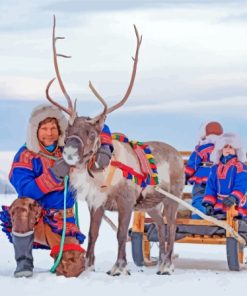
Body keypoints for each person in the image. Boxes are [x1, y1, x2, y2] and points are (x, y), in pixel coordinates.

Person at [4, 104, 86, 278]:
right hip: (35, 219)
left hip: (63, 220)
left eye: (53, 128)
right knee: (22, 206)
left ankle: (65, 253)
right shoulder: (26, 154)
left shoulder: (68, 152)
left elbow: (99, 129)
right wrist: (55, 174)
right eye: (44, 128)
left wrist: (106, 147)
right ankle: (23, 260)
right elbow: (26, 189)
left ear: (60, 129)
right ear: (35, 130)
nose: (49, 133)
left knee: (72, 269)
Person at [202, 133, 247, 219]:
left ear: (236, 150)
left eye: (231, 147)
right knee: (218, 225)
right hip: (219, 205)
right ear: (220, 149)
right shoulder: (215, 167)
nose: (228, 149)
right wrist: (209, 203)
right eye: (225, 147)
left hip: (236, 204)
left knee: (237, 225)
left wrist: (234, 197)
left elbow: (243, 184)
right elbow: (211, 186)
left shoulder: (240, 166)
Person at [184, 121, 223, 219]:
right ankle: (217, 216)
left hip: (202, 179)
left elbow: (192, 165)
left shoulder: (201, 149)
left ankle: (200, 217)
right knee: (216, 199)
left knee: (199, 199)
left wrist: (185, 176)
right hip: (218, 181)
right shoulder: (223, 150)